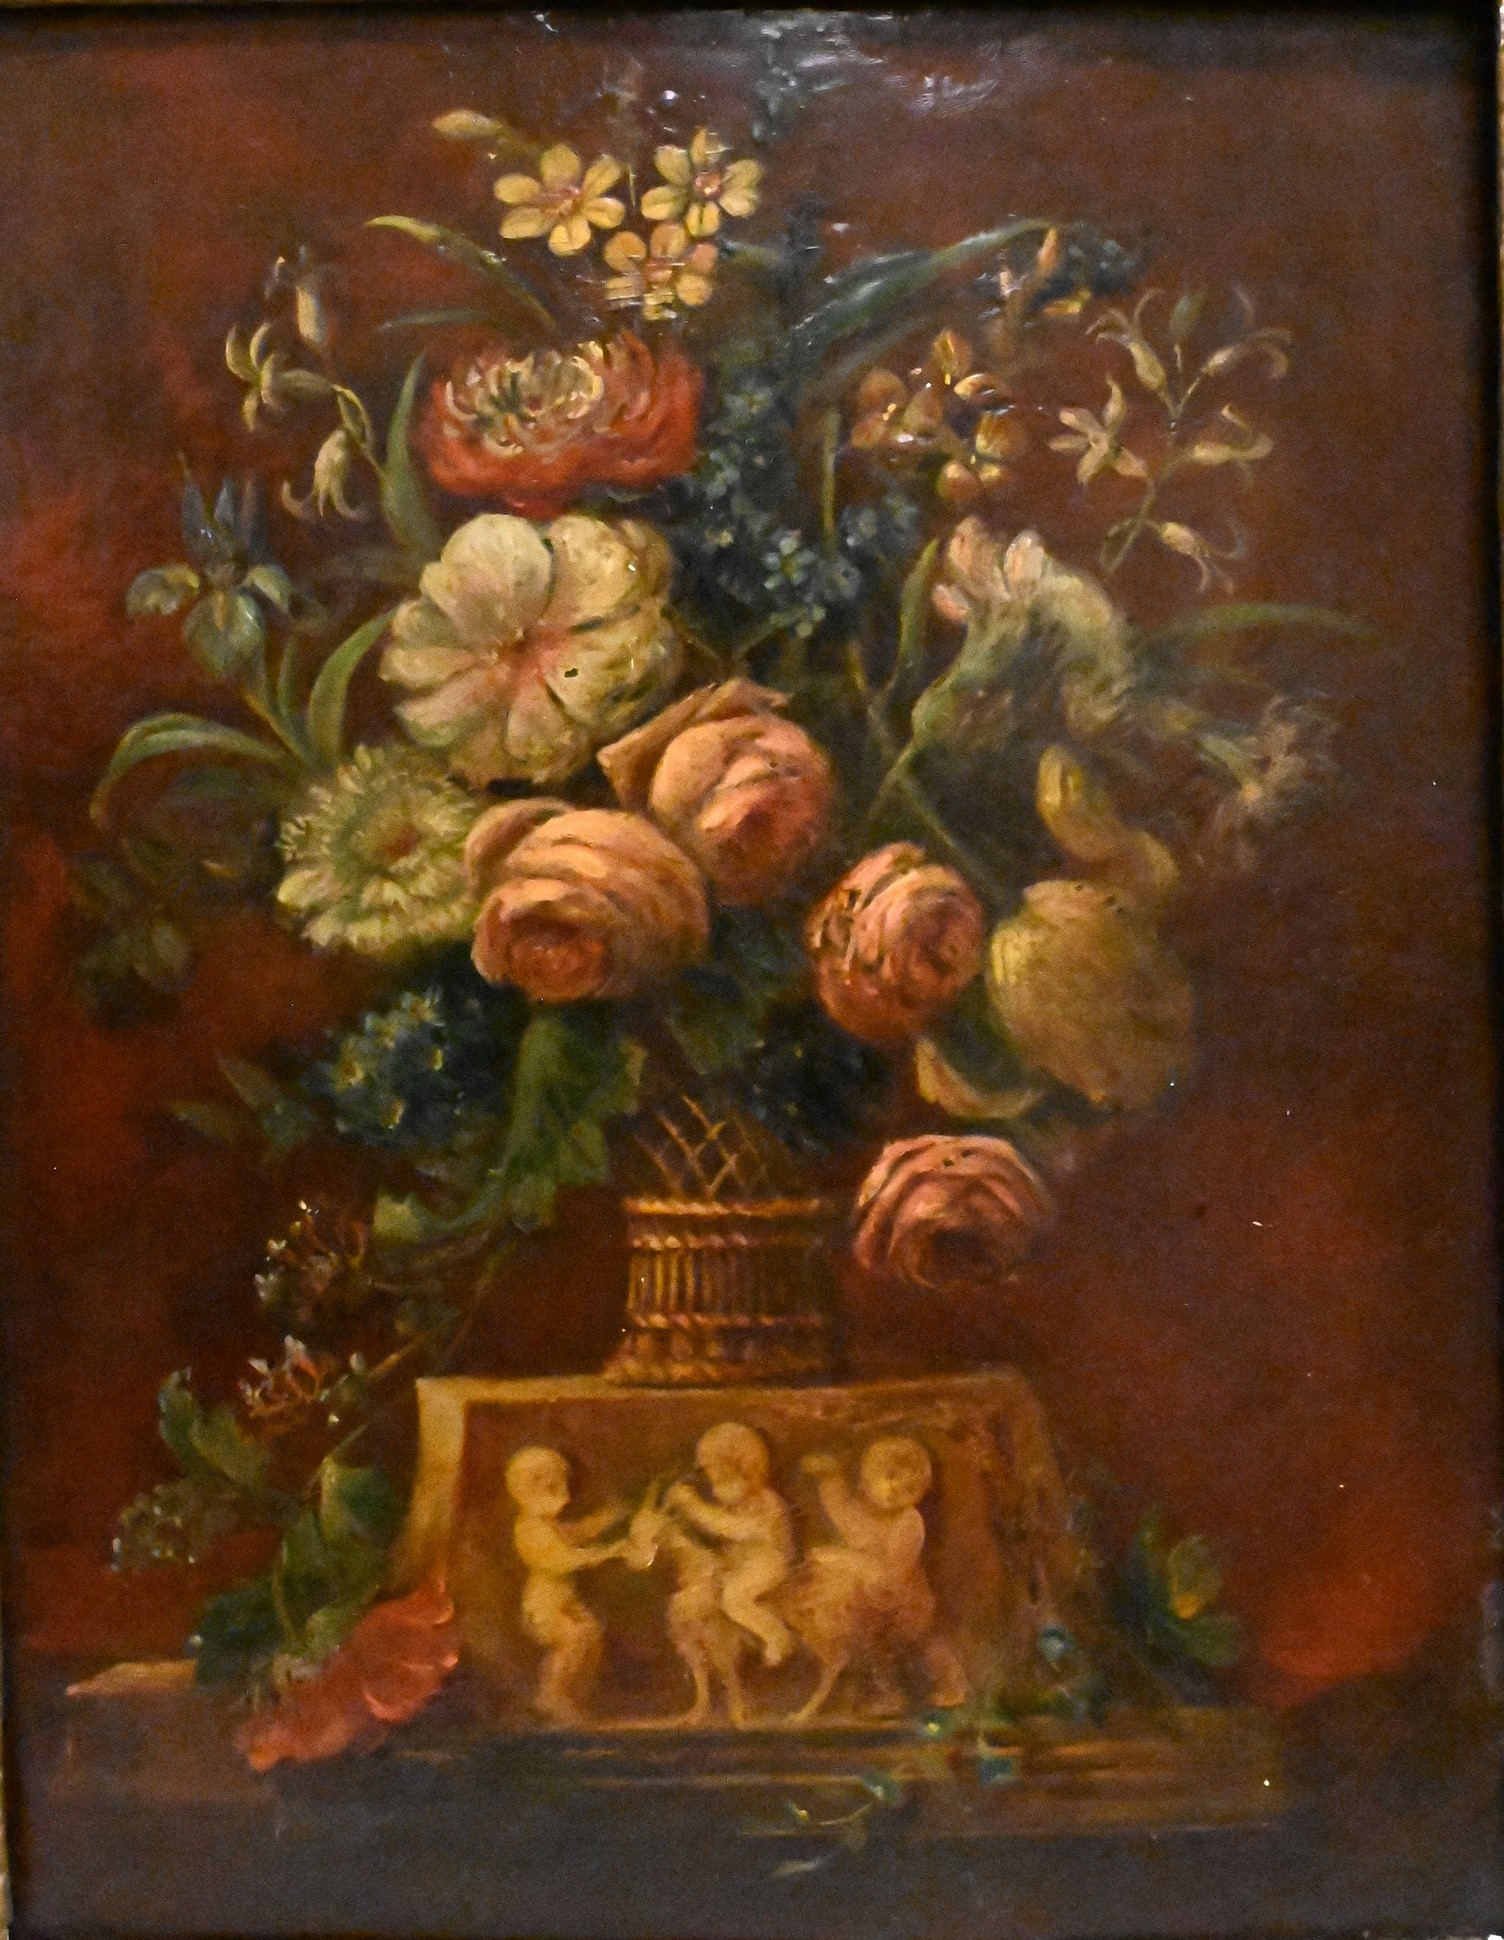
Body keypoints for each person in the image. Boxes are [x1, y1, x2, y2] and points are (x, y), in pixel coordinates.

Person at [506, 1444, 626, 1726]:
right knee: (573, 1639)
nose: (561, 1491)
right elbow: (562, 1560)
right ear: (528, 1489)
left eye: (560, 1484)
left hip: (564, 1601)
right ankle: (551, 1696)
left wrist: (609, 1517)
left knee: (590, 1637)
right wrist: (608, 1552)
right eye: (551, 1486)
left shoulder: (549, 1524)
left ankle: (573, 1696)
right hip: (544, 1605)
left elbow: (579, 1532)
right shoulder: (531, 1528)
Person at [665, 1422, 796, 1667]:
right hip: (742, 1562)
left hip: (768, 1563)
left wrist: (693, 1506)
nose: (709, 1475)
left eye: (713, 1468)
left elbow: (733, 1528)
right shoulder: (735, 1499)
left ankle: (777, 1637)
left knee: (733, 1597)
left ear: (735, 1466)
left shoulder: (764, 1502)